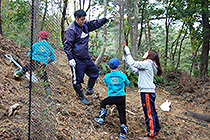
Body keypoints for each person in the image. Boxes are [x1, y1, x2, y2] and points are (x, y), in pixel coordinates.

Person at [63, 9, 114, 105]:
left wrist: (106, 18)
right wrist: (70, 59)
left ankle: (89, 89)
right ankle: (80, 96)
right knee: (77, 79)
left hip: (86, 57)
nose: (83, 21)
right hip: (77, 58)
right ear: (76, 18)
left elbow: (95, 23)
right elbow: (67, 46)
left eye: (84, 19)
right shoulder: (71, 30)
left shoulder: (85, 25)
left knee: (94, 72)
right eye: (81, 19)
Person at [123, 46, 162, 140]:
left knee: (149, 113)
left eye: (146, 52)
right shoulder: (149, 64)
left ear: (150, 55)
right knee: (152, 112)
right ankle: (156, 130)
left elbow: (134, 63)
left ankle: (151, 135)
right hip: (148, 91)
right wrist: (127, 62)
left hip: (147, 92)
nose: (144, 53)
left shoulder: (147, 63)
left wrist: (128, 54)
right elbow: (134, 70)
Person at [14, 31, 55, 101]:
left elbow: (29, 54)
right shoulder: (50, 47)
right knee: (45, 80)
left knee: (25, 69)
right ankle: (49, 96)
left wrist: (31, 58)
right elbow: (53, 58)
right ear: (47, 39)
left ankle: (17, 75)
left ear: (39, 37)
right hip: (42, 65)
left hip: (34, 62)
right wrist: (47, 62)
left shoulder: (36, 44)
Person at [94, 58, 130, 139]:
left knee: (103, 103)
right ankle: (123, 133)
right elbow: (127, 83)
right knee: (122, 114)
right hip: (121, 97)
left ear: (109, 67)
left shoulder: (107, 76)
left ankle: (101, 118)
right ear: (119, 66)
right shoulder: (122, 75)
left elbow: (107, 84)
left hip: (112, 97)